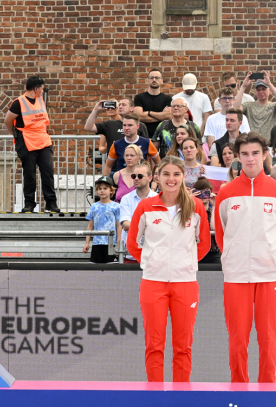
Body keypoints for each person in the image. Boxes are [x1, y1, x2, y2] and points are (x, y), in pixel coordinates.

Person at [214, 133, 276, 383]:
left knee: (269, 337)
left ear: (264, 155)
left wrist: (273, 260)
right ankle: (239, 389)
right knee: (238, 339)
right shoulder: (226, 193)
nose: (251, 159)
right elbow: (221, 234)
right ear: (238, 157)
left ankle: (267, 391)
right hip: (237, 275)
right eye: (245, 154)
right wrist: (232, 259)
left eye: (256, 153)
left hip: (270, 275)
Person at [127, 156, 211, 382]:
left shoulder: (196, 206)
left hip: (185, 284)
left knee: (183, 346)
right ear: (157, 177)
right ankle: (155, 396)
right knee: (154, 345)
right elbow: (132, 244)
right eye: (166, 174)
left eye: (176, 174)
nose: (171, 179)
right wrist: (151, 262)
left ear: (184, 177)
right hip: (153, 283)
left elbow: (204, 244)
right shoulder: (146, 206)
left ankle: (180, 396)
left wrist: (187, 263)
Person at [6, 77, 54, 214]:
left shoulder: (40, 99)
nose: (43, 90)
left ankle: (51, 203)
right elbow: (8, 120)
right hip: (27, 140)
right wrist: (15, 135)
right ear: (35, 89)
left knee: (47, 172)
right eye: (42, 88)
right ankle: (29, 204)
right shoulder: (18, 103)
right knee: (29, 174)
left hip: (43, 140)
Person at [233, 72, 276, 142]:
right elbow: (236, 109)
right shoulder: (249, 105)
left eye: (264, 89)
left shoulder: (274, 106)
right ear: (255, 91)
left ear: (269, 91)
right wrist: (243, 86)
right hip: (252, 143)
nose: (261, 91)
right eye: (258, 90)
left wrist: (269, 84)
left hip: (269, 144)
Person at [117, 162, 152, 262]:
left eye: (140, 176)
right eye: (134, 176)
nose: (136, 178)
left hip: (152, 254)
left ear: (150, 178)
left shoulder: (158, 198)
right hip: (131, 253)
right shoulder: (126, 199)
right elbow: (126, 224)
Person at [84, 98, 151, 149]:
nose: (120, 107)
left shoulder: (140, 125)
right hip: (115, 165)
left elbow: (146, 146)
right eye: (119, 105)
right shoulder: (109, 124)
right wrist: (96, 109)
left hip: (136, 165)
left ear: (132, 108)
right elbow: (88, 127)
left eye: (124, 105)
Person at [83, 176, 121, 263]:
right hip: (97, 243)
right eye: (99, 188)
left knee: (111, 267)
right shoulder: (94, 206)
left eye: (105, 188)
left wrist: (118, 242)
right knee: (95, 267)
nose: (102, 190)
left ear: (111, 190)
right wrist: (87, 242)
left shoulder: (116, 206)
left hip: (111, 243)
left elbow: (119, 225)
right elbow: (90, 225)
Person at [134, 70, 174, 137]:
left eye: (157, 78)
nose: (154, 80)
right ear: (148, 80)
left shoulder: (167, 98)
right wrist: (161, 117)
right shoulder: (139, 97)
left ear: (161, 81)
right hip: (143, 135)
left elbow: (169, 116)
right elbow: (139, 117)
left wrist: (149, 113)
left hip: (162, 135)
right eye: (152, 78)